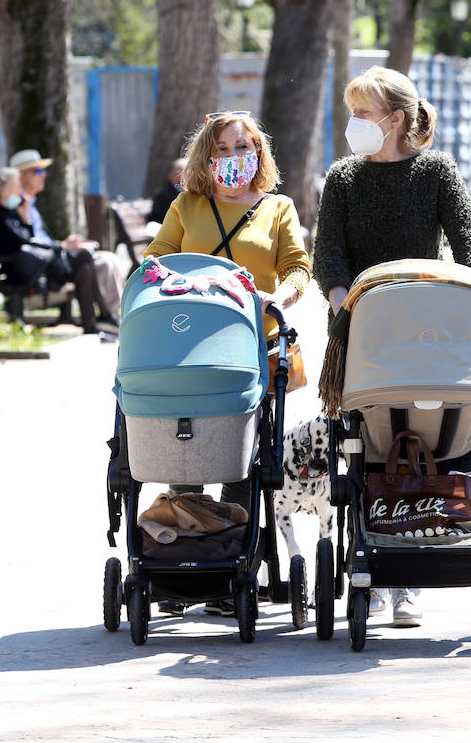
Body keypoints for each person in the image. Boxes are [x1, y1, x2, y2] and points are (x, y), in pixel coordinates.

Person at [313, 65, 471, 629]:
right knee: (368, 445)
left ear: (394, 119)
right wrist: (343, 301)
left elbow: (469, 247)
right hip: (363, 329)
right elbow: (329, 258)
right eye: (352, 113)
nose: (353, 124)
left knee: (432, 439)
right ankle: (381, 567)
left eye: (362, 113)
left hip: (428, 331)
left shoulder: (435, 171)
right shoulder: (343, 178)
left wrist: (465, 302)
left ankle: (410, 574)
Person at [144, 110, 312, 616]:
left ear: (259, 153)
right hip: (188, 344)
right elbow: (155, 259)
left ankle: (230, 562)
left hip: (253, 341)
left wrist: (277, 296)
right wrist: (176, 282)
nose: (236, 157)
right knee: (188, 443)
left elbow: (298, 267)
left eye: (245, 147)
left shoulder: (277, 208)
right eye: (224, 149)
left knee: (241, 451)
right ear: (207, 156)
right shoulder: (186, 206)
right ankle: (183, 556)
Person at [0, 165, 116, 336]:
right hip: (27, 274)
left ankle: (96, 323)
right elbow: (25, 242)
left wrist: (25, 218)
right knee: (83, 259)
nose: (19, 190)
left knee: (84, 262)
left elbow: (28, 241)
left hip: (35, 268)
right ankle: (99, 320)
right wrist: (62, 247)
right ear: (2, 189)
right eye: (16, 186)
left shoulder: (9, 212)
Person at [7, 148, 126, 327]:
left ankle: (114, 314)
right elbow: (27, 243)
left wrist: (68, 245)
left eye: (43, 171)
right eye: (38, 171)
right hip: (43, 265)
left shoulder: (30, 203)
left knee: (110, 258)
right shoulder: (16, 205)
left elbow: (39, 240)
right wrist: (63, 246)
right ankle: (107, 316)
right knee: (103, 263)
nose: (44, 175)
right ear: (21, 176)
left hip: (50, 258)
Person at [148, 157, 186, 226]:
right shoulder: (163, 195)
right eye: (181, 172)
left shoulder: (192, 193)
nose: (185, 175)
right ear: (171, 175)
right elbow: (155, 219)